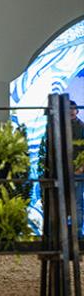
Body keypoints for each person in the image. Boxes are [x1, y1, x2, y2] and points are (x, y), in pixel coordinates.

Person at [71, 100, 84, 237]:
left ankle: (78, 233)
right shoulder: (59, 127)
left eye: (73, 108)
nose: (70, 111)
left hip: (77, 171)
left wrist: (81, 168)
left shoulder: (82, 127)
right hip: (63, 171)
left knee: (78, 203)